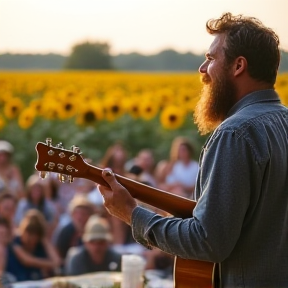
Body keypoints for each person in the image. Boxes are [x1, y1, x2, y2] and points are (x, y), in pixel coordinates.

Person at [97, 12, 288, 287]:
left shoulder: (235, 134)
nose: (202, 69)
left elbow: (209, 240)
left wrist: (132, 215)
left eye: (211, 59)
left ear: (238, 66)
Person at [5, 209, 61, 282]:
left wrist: (44, 239)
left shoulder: (41, 244)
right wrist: (50, 264)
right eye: (28, 233)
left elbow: (56, 261)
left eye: (34, 235)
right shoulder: (14, 241)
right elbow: (27, 260)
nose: (30, 238)